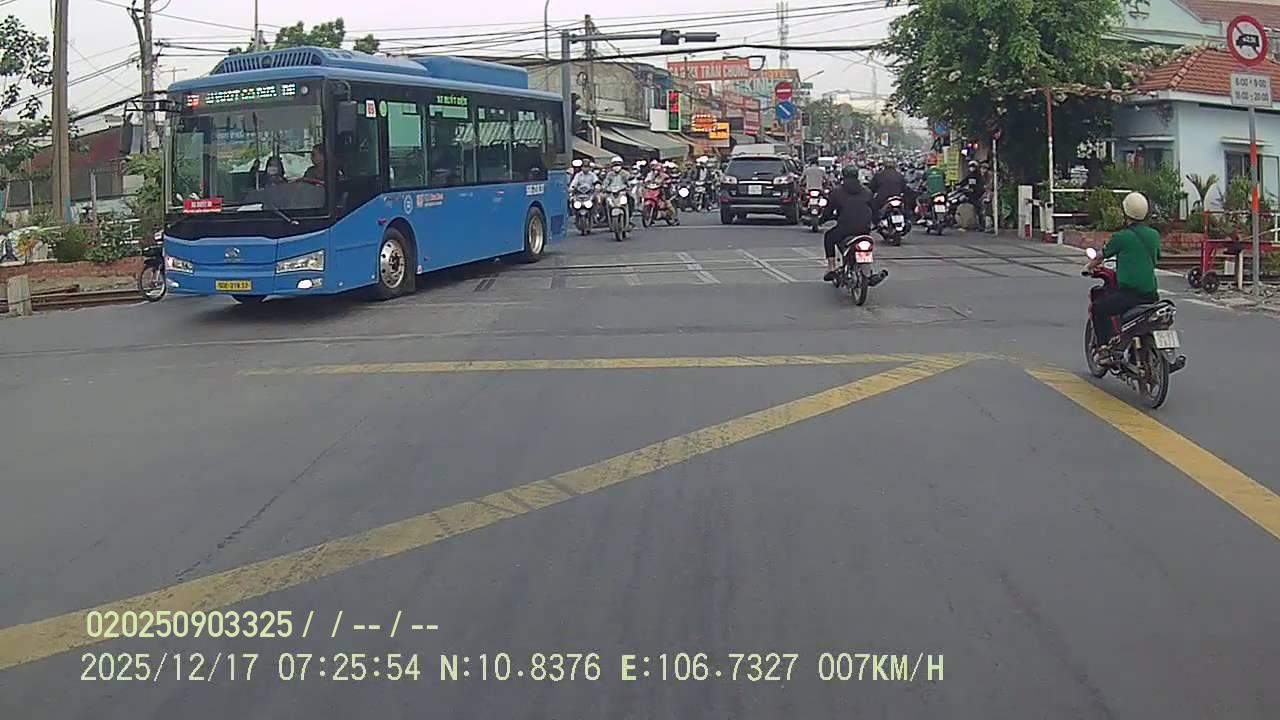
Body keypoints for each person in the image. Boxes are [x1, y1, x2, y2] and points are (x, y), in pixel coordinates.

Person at [1087, 192, 1161, 365]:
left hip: (1129, 295)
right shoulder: (1154, 235)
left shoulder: (1122, 237)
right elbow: (1157, 257)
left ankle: (1104, 349)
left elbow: (1101, 256)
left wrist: (1088, 267)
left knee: (1098, 308)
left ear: (1126, 213)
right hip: (1151, 295)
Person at [819, 165, 884, 284]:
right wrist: (877, 223)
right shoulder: (866, 191)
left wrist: (821, 220)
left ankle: (831, 267)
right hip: (864, 229)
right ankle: (868, 272)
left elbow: (828, 211)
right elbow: (875, 210)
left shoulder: (837, 192)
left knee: (829, 237)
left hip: (845, 229)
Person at [961, 159, 986, 230]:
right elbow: (964, 182)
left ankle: (981, 225)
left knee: (978, 209)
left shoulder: (978, 176)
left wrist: (976, 190)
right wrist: (958, 185)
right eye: (970, 166)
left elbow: (980, 185)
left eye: (973, 166)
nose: (971, 168)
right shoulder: (970, 175)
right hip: (971, 194)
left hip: (978, 194)